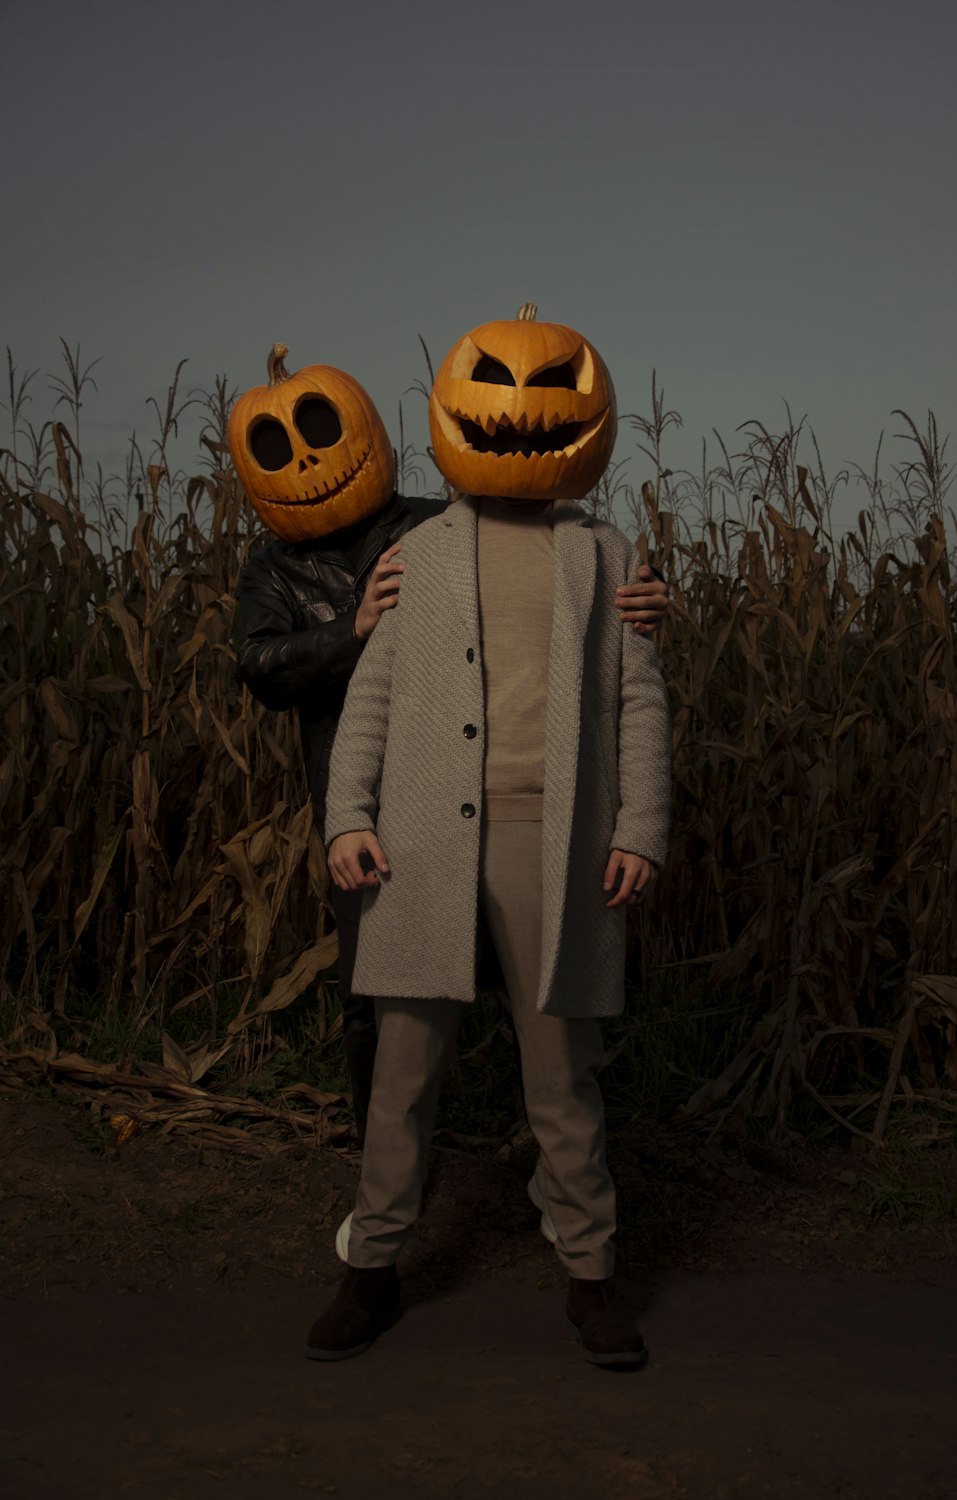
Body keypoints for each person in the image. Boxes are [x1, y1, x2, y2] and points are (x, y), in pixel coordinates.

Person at [308, 310, 671, 1368]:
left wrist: (640, 827)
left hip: (552, 842)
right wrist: (348, 818)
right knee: (403, 1074)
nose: (520, 412)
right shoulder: (416, 553)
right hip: (419, 841)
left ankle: (591, 1278)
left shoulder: (606, 557)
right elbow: (369, 703)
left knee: (562, 1076)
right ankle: (370, 1271)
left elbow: (638, 706)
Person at [233, 357, 669, 1152]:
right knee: (378, 997)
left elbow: (543, 552)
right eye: (275, 447)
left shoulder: (435, 528)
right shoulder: (272, 569)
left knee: (520, 987)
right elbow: (260, 669)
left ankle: (531, 1147)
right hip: (370, 804)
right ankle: (389, 1175)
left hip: (497, 795)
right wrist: (351, 629)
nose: (304, 462)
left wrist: (644, 592)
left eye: (324, 431)